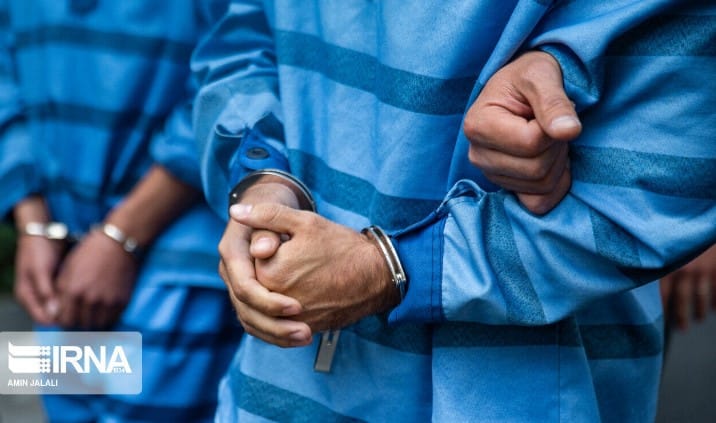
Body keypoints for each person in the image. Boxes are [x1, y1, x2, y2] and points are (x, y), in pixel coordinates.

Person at [193, 0, 716, 421]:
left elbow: (667, 166)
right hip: (275, 390)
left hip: (505, 392)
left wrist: (388, 268)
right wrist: (262, 184)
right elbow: (243, 40)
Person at [0, 1, 240, 421]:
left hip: (177, 266)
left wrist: (122, 236)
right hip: (59, 267)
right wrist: (32, 222)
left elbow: (233, 75)